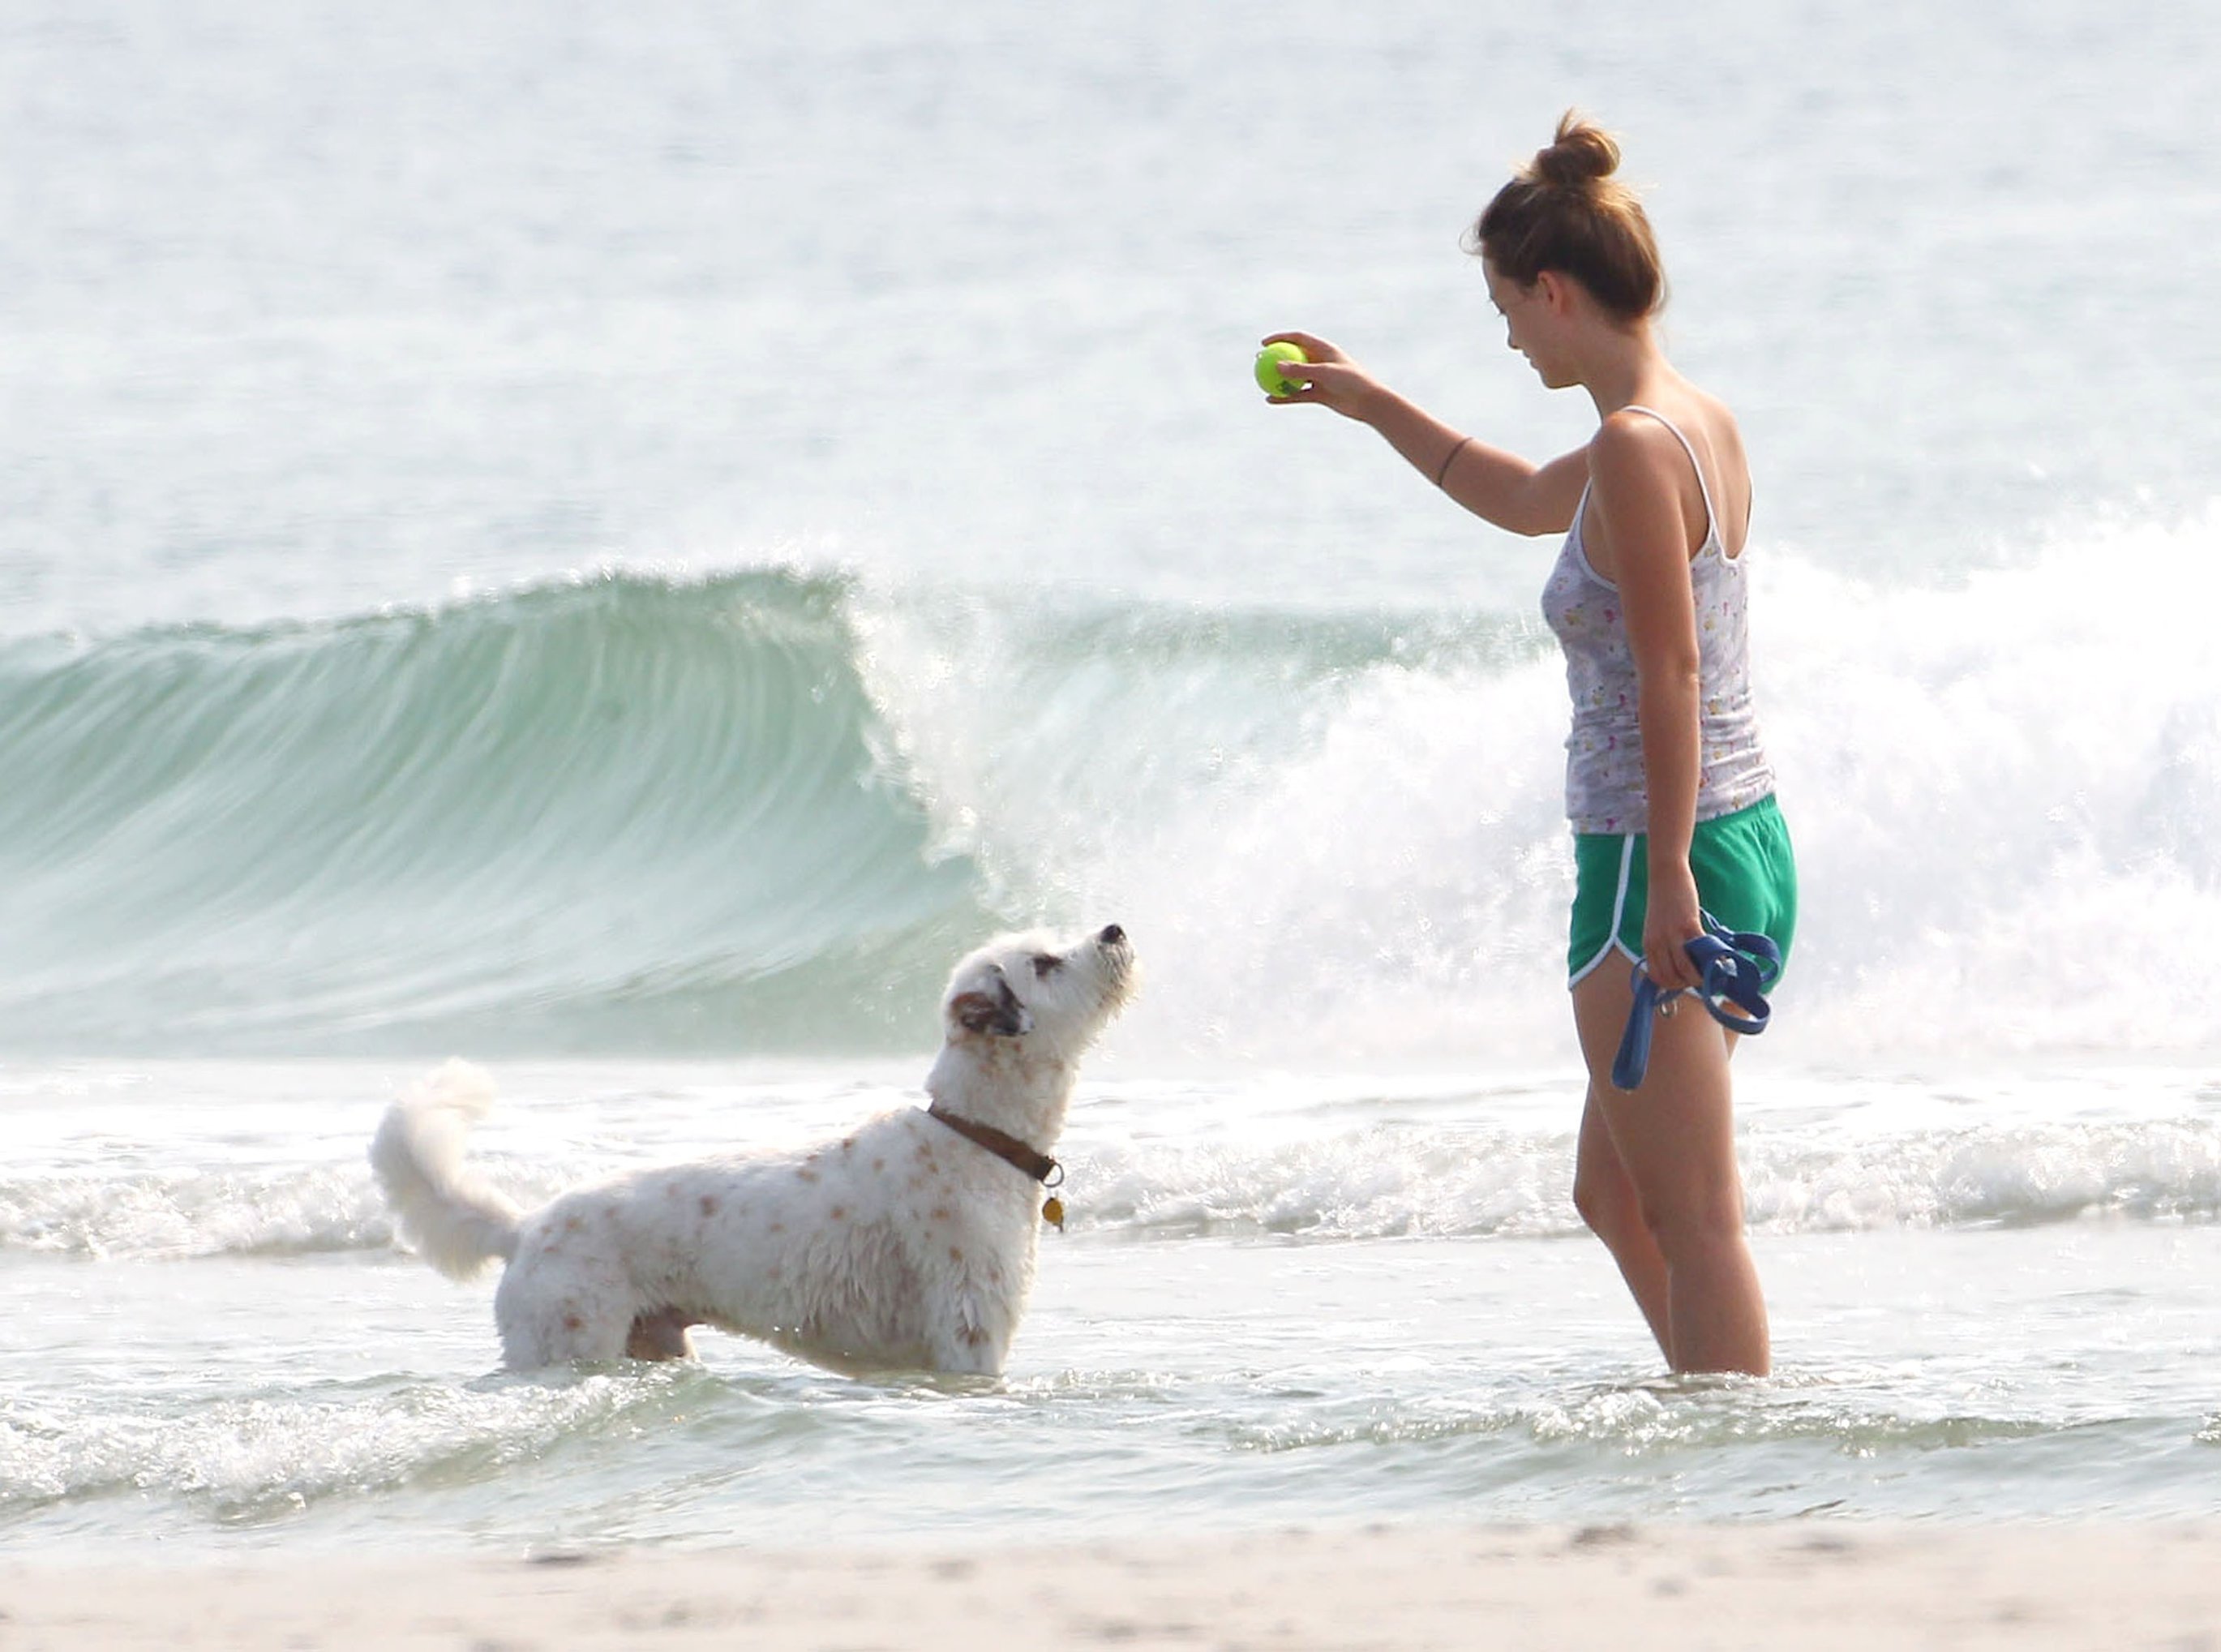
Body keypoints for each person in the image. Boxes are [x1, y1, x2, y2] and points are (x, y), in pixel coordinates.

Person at [1265, 112, 1795, 1375]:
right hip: (1745, 831)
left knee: (1697, 1218)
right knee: (1617, 1198)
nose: (1505, 334)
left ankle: (1739, 1485)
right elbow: (1512, 498)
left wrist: (1664, 878)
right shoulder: (1689, 423)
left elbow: (1666, 670)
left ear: (1555, 292)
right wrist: (1371, 402)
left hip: (1652, 863)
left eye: (1506, 307)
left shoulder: (1630, 444)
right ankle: (1712, 1429)